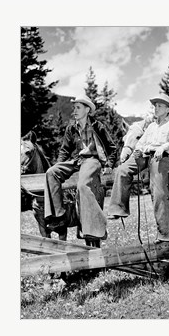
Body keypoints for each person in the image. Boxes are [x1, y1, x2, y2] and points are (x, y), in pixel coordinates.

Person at [108, 93, 169, 242]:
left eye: (159, 105)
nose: (156, 108)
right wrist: (137, 149)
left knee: (159, 192)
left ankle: (166, 234)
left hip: (162, 157)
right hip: (145, 155)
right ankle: (118, 208)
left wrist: (165, 146)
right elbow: (141, 142)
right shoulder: (151, 126)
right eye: (155, 105)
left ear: (168, 109)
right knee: (122, 170)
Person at [44, 95, 117, 240]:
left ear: (87, 109)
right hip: (77, 161)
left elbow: (112, 148)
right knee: (51, 172)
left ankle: (97, 227)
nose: (74, 111)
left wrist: (109, 165)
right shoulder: (71, 128)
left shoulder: (98, 126)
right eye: (74, 108)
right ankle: (58, 216)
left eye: (78, 107)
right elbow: (64, 150)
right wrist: (59, 164)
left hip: (93, 160)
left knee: (83, 185)